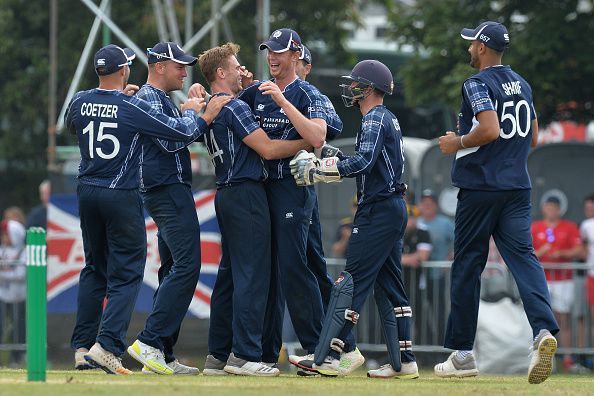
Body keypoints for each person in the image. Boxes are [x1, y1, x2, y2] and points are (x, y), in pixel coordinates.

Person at [66, 44, 214, 375]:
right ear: (123, 71)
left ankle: (82, 346)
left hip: (87, 190)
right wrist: (194, 112)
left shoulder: (80, 100)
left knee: (94, 268)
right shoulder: (130, 105)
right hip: (120, 192)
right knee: (129, 271)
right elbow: (180, 133)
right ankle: (108, 347)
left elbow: (72, 126)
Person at [434, 21, 559, 384]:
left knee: (467, 267)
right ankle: (542, 331)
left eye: (473, 43)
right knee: (524, 258)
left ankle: (461, 354)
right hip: (517, 187)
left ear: (483, 48)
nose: (470, 48)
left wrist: (456, 142)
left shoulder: (477, 83)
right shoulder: (522, 83)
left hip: (481, 188)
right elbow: (532, 136)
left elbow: (489, 128)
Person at [290, 59, 418, 379]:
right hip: (391, 207)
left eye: (356, 84)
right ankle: (405, 361)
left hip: (377, 210)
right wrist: (329, 156)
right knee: (390, 287)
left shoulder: (374, 117)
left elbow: (362, 162)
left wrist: (318, 170)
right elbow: (366, 163)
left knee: (351, 281)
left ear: (370, 88)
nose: (351, 89)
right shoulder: (386, 118)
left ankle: (330, 355)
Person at [196, 42, 312, 377]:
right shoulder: (232, 107)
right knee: (253, 276)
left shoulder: (212, 105)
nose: (241, 70)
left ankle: (218, 355)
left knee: (230, 277)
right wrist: (310, 139)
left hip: (226, 192)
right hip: (246, 194)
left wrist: (246, 86)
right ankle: (244, 355)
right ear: (221, 73)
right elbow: (270, 149)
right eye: (235, 66)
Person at [125, 42, 230, 376]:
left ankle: (162, 354)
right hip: (166, 190)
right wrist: (198, 113)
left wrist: (192, 108)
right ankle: (150, 342)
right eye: (179, 66)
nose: (185, 72)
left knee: (172, 268)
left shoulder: (159, 99)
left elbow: (183, 132)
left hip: (168, 189)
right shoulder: (147, 98)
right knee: (187, 266)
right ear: (159, 67)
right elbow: (175, 138)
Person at [236, 28, 334, 371]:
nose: (272, 57)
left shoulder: (307, 92)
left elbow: (319, 136)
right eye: (269, 51)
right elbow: (229, 107)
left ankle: (319, 350)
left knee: (297, 267)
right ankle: (263, 353)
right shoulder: (256, 91)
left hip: (294, 188)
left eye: (279, 52)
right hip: (262, 191)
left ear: (296, 55)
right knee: (270, 273)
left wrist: (282, 101)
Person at [531, 196, 583, 371]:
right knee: (542, 318)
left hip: (563, 280)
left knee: (563, 318)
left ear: (559, 209)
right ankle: (543, 359)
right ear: (544, 209)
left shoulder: (569, 227)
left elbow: (580, 251)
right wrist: (541, 252)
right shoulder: (535, 227)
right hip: (541, 280)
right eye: (548, 207)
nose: (551, 210)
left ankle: (567, 358)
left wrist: (561, 253)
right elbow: (526, 252)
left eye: (554, 207)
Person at [417, 189, 454, 344]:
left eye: (430, 203)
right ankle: (423, 345)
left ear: (436, 205)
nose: (427, 206)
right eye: (424, 203)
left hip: (438, 276)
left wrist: (449, 259)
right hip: (417, 278)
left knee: (439, 312)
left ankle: (440, 346)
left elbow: (461, 243)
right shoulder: (415, 222)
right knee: (418, 313)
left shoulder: (445, 223)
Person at [0, 218, 26, 366]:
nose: (4, 237)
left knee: (18, 330)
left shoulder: (24, 251)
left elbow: (20, 275)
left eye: (6, 233)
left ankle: (15, 359)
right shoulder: (2, 249)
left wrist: (2, 275)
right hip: (3, 296)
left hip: (19, 296)